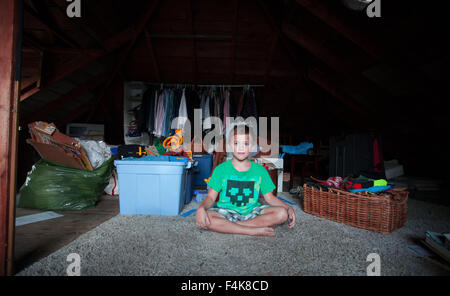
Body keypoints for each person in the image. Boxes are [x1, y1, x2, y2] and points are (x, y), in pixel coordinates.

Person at [196, 124, 296, 236]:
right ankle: (250, 229)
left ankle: (234, 227)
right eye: (236, 143)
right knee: (207, 216)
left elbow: (270, 198)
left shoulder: (260, 170)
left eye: (246, 143)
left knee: (282, 213)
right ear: (230, 145)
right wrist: (201, 208)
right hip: (227, 212)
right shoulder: (220, 169)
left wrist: (288, 207)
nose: (241, 147)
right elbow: (210, 197)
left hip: (252, 212)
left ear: (252, 146)